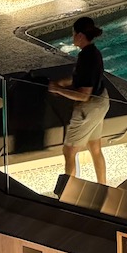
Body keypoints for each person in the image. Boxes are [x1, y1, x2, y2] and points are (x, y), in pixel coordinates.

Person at [48, 15, 108, 184]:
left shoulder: (86, 58)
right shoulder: (93, 53)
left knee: (69, 150)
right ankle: (102, 186)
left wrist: (58, 89)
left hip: (88, 108)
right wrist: (62, 83)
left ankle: (68, 194)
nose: (72, 37)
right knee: (95, 147)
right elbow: (81, 79)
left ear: (80, 35)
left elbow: (83, 95)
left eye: (73, 34)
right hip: (102, 102)